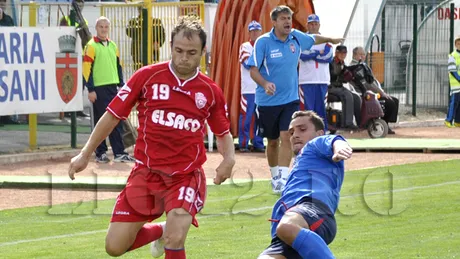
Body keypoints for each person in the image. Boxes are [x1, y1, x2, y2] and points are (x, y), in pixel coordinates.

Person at [68, 15, 235, 259]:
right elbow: (112, 115)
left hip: (185, 176)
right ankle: (160, 230)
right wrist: (85, 153)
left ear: (202, 51)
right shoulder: (147, 76)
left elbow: (223, 133)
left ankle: (169, 233)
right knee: (114, 247)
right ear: (170, 46)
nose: (184, 58)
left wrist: (228, 159)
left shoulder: (210, 91)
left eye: (191, 52)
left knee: (176, 238)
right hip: (146, 173)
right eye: (178, 50)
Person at [247, 5, 343, 193]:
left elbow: (313, 39)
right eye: (283, 18)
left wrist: (331, 39)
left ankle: (283, 179)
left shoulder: (296, 37)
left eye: (289, 18)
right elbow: (253, 69)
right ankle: (274, 176)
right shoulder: (263, 42)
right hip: (267, 102)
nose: (288, 21)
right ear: (274, 22)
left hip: (290, 99)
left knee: (286, 136)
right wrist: (265, 84)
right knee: (272, 141)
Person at [258, 110, 352, 259]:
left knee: (287, 227)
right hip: (289, 230)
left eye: (302, 129)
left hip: (313, 210)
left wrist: (340, 146)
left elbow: (334, 140)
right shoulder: (300, 162)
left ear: (319, 133)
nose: (295, 135)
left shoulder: (315, 145)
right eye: (291, 132)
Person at [82, 16, 134, 163]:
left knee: (115, 121)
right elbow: (86, 69)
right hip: (98, 89)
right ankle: (101, 153)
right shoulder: (91, 46)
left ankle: (119, 152)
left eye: (106, 27)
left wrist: (121, 85)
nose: (104, 29)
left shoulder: (113, 45)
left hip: (112, 87)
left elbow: (118, 66)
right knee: (101, 122)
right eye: (101, 27)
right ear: (96, 28)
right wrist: (90, 89)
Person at [350, 46, 399, 134]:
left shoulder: (363, 65)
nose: (362, 56)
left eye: (364, 54)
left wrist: (381, 91)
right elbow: (368, 84)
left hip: (373, 92)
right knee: (390, 102)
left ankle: (385, 124)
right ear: (354, 55)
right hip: (366, 94)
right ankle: (383, 125)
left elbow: (372, 81)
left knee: (395, 100)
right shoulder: (355, 67)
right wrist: (381, 93)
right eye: (360, 54)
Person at [298, 14, 333, 132]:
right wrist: (318, 53)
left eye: (315, 24)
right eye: (311, 24)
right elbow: (302, 55)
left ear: (319, 25)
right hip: (306, 81)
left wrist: (312, 53)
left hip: (322, 80)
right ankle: (305, 135)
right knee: (306, 111)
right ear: (307, 25)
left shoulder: (326, 40)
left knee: (321, 110)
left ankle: (322, 134)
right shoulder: (301, 40)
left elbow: (328, 57)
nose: (313, 26)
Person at [59, 0, 90, 118]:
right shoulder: (65, 19)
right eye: (78, 2)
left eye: (82, 2)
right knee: (69, 82)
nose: (80, 5)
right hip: (70, 56)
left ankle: (78, 108)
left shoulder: (83, 21)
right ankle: (67, 109)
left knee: (81, 84)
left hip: (81, 56)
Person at [238, 20, 265, 153]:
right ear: (249, 32)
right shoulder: (245, 46)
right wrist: (260, 62)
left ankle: (258, 143)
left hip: (261, 88)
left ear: (261, 32)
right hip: (248, 88)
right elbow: (247, 63)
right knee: (246, 116)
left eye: (257, 30)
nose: (254, 33)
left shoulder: (265, 46)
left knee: (261, 118)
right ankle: (243, 143)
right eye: (252, 31)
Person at [328, 45, 361, 129]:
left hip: (338, 87)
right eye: (341, 53)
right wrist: (342, 75)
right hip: (330, 87)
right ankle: (347, 124)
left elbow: (343, 76)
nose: (343, 55)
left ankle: (360, 123)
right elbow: (332, 77)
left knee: (356, 97)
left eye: (345, 53)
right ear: (336, 53)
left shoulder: (342, 63)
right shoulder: (331, 62)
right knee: (347, 95)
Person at [0, 6, 17, 126]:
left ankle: (6, 116)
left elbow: (13, 32)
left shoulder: (8, 19)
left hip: (6, 58)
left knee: (7, 86)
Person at [445, 36, 460, 128]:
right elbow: (452, 70)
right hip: (456, 85)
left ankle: (458, 121)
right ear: (455, 45)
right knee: (454, 102)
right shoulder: (452, 56)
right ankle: (448, 120)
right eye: (458, 44)